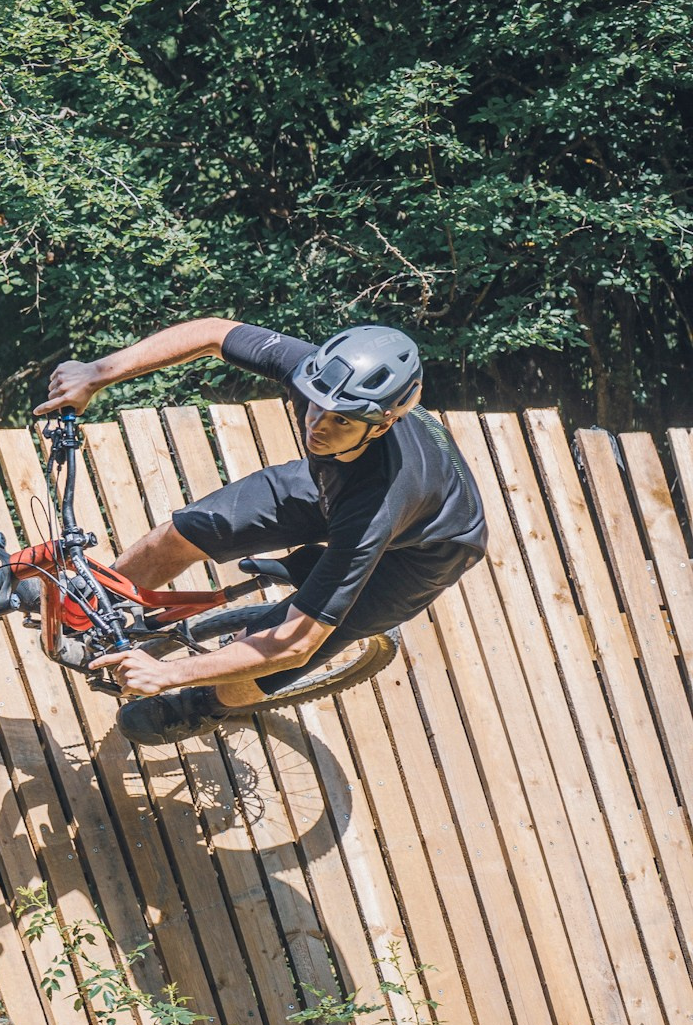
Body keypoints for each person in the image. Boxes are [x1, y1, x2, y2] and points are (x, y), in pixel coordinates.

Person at [35, 318, 487, 745]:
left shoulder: (379, 507)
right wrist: (96, 373)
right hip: (333, 483)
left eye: (341, 421)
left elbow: (295, 644)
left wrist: (168, 675)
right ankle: (95, 606)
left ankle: (206, 706)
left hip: (424, 550)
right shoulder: (322, 378)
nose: (318, 425)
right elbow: (214, 333)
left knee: (260, 663)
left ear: (384, 422)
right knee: (184, 533)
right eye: (316, 406)